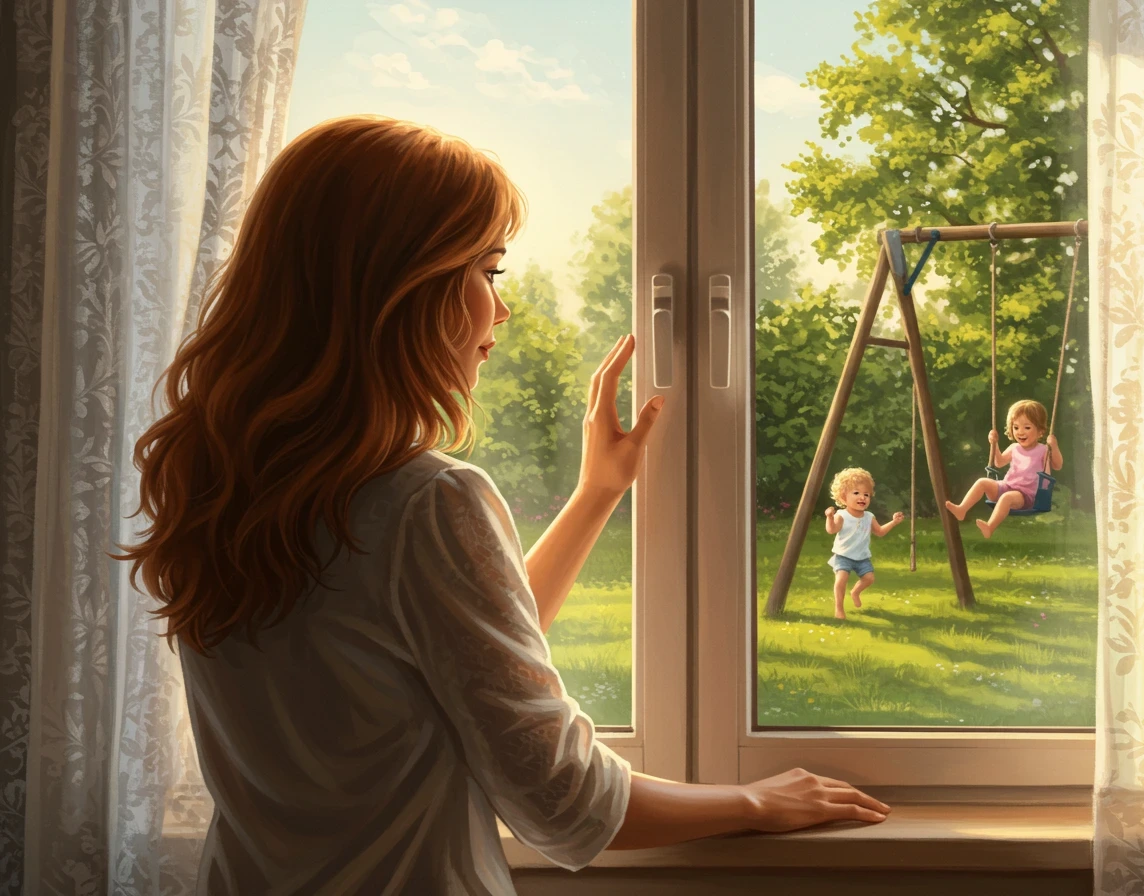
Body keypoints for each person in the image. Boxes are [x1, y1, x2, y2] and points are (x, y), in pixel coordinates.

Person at [111, 115, 890, 896]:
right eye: (489, 272)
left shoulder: (214, 484)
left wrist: (596, 494)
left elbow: (459, 657)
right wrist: (754, 799)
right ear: (400, 287)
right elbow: (563, 800)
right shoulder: (427, 501)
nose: (501, 311)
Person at [945, 399, 1064, 537]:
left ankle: (990, 527)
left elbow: (1058, 465)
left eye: (1027, 427)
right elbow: (999, 462)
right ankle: (962, 510)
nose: (1020, 432)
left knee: (1006, 497)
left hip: (1027, 496)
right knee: (982, 482)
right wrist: (994, 444)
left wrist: (1053, 446)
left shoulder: (1043, 450)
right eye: (1016, 427)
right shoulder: (1014, 448)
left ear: (1040, 431)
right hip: (1006, 486)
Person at [824, 468, 904, 618]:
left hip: (862, 557)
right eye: (856, 493)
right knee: (841, 580)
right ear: (843, 497)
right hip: (844, 556)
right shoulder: (842, 515)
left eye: (866, 494)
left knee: (869, 579)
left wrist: (893, 522)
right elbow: (832, 530)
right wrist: (829, 517)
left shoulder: (869, 516)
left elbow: (879, 532)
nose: (862, 497)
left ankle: (855, 592)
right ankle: (839, 609)